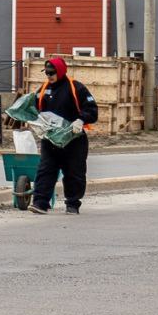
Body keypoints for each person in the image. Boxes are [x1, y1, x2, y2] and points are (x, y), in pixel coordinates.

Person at [29, 55, 98, 215]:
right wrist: (34, 122)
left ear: (60, 72)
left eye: (52, 73)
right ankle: (40, 203)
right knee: (46, 169)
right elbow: (33, 108)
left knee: (74, 172)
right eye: (46, 73)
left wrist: (81, 120)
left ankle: (72, 204)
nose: (49, 76)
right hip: (51, 139)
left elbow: (92, 110)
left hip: (74, 139)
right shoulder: (43, 89)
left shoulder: (76, 88)